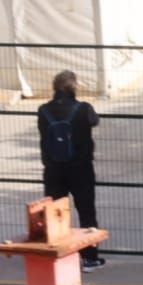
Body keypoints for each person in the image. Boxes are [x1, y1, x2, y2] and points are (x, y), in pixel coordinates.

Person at [37, 70, 104, 272]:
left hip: (53, 169)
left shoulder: (43, 110)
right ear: (74, 87)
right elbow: (95, 121)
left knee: (55, 213)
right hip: (80, 168)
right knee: (86, 212)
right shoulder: (83, 108)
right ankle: (90, 258)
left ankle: (58, 255)